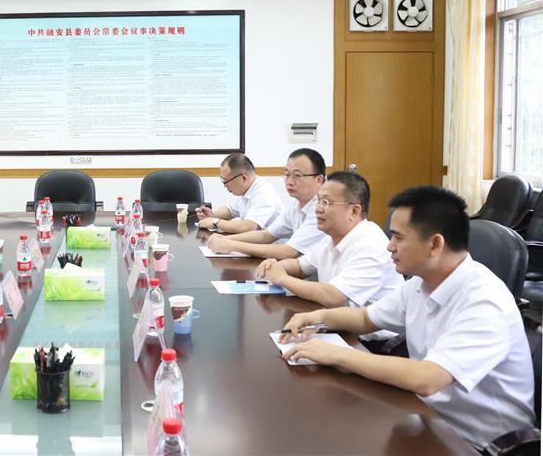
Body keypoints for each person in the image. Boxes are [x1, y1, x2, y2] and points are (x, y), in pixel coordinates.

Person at [280, 186, 535, 449]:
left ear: (435, 244)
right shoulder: (420, 284)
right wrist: (317, 316)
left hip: (478, 443)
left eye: (398, 237)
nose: (389, 246)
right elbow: (366, 318)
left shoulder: (484, 301)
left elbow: (427, 379)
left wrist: (336, 354)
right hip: (429, 416)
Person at [255, 171, 403, 316]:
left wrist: (282, 278)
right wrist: (275, 266)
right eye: (318, 201)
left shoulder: (370, 245)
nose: (317, 209)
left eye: (326, 202)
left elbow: (333, 296)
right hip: (338, 321)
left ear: (354, 211)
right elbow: (300, 267)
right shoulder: (332, 237)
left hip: (371, 332)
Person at [207, 148, 328, 259]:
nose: (289, 182)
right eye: (287, 175)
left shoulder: (322, 209)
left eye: (297, 175)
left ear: (319, 180)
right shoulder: (295, 205)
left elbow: (289, 252)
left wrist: (231, 244)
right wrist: (226, 239)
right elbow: (266, 235)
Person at [195, 152, 283, 234]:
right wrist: (213, 215)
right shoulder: (245, 190)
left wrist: (216, 222)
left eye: (226, 181)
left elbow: (249, 226)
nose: (225, 186)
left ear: (244, 178)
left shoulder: (264, 193)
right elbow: (230, 210)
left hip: (273, 244)